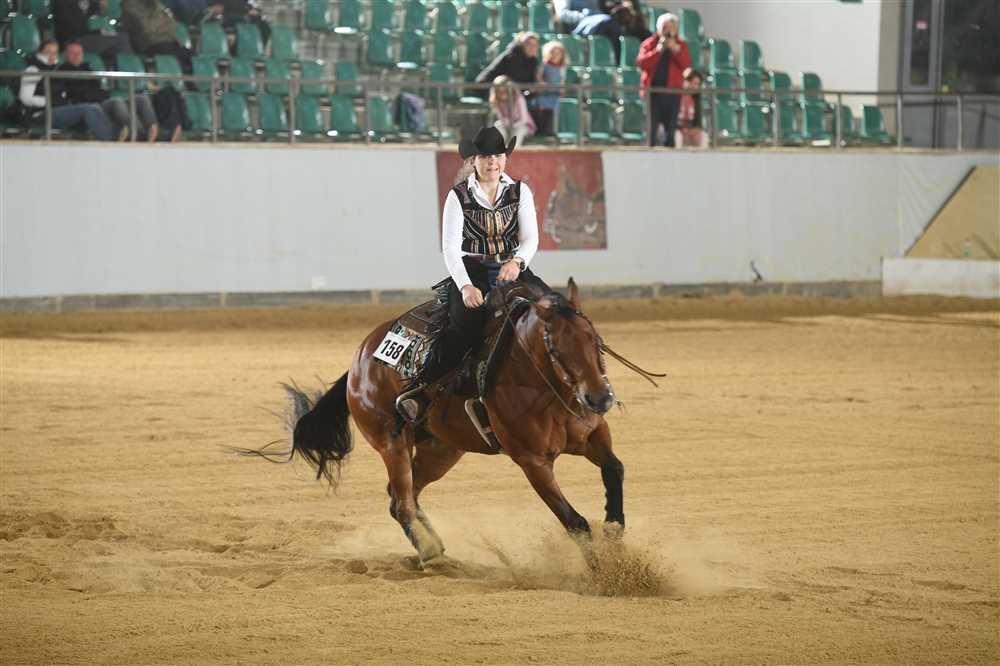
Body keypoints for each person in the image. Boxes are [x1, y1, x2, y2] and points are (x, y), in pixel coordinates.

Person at [397, 127, 547, 422]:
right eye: (486, 156)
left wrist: (517, 261)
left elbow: (530, 238)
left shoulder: (520, 191)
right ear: (473, 161)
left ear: (505, 158)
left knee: (553, 308)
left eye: (498, 156)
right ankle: (423, 391)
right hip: (472, 270)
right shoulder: (458, 196)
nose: (493, 162)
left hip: (512, 268)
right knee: (463, 329)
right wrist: (465, 286)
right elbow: (450, 248)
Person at [58, 40, 159, 141]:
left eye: (79, 53)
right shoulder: (61, 73)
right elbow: (76, 96)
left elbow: (100, 90)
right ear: (65, 55)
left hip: (103, 103)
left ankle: (153, 129)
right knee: (116, 102)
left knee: (141, 99)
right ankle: (139, 135)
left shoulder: (88, 70)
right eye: (72, 53)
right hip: (92, 108)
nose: (76, 56)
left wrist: (99, 93)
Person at [18, 40, 116, 140]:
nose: (51, 56)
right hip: (41, 113)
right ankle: (110, 142)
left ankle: (116, 137)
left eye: (54, 53)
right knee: (88, 109)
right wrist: (50, 101)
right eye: (48, 52)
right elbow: (25, 98)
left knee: (98, 106)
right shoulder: (33, 70)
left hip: (60, 109)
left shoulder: (57, 70)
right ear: (39, 53)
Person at [635, 12, 690, 147]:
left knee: (670, 130)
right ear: (658, 28)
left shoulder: (681, 45)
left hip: (673, 93)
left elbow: (686, 64)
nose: (668, 31)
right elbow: (642, 63)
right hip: (653, 92)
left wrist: (675, 49)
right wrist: (658, 51)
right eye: (665, 27)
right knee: (651, 128)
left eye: (672, 28)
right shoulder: (649, 44)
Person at [121, 0, 194, 73]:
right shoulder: (130, 5)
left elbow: (171, 23)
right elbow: (147, 29)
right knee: (171, 54)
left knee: (192, 57)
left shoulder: (155, 3)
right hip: (150, 44)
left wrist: (161, 21)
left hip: (168, 42)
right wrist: (161, 19)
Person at [53, 0, 134, 61]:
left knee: (122, 38)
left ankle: (120, 71)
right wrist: (93, 26)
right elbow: (70, 26)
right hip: (71, 40)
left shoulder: (92, 3)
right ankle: (128, 74)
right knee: (121, 39)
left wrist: (103, 8)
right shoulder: (62, 2)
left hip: (89, 38)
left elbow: (99, 19)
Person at [475, 31, 539, 88]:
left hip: (507, 90)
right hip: (487, 87)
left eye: (535, 45)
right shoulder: (513, 56)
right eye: (529, 44)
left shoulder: (532, 60)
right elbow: (518, 79)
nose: (532, 47)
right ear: (521, 45)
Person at [532, 40, 567, 136]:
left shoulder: (562, 67)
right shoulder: (545, 64)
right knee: (542, 110)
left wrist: (562, 89)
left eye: (558, 53)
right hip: (544, 93)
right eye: (553, 53)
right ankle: (540, 130)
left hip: (555, 94)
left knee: (554, 112)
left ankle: (552, 131)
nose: (555, 55)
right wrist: (541, 83)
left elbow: (562, 79)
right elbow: (538, 75)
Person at [490, 76, 536, 146]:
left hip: (522, 125)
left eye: (505, 91)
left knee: (520, 129)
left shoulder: (519, 98)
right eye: (499, 92)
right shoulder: (497, 101)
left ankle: (513, 149)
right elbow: (502, 118)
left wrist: (513, 125)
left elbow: (524, 120)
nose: (502, 94)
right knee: (498, 125)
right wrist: (507, 123)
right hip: (508, 125)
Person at [675, 67, 707, 148]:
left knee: (703, 136)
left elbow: (698, 119)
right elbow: (671, 117)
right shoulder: (676, 95)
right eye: (694, 83)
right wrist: (681, 128)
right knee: (677, 136)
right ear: (686, 81)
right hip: (676, 128)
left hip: (690, 128)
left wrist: (695, 128)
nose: (696, 87)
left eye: (698, 84)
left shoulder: (696, 97)